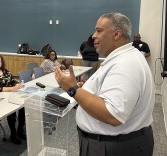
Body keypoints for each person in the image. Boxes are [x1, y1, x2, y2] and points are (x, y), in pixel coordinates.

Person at [54, 12, 154, 156]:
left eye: (99, 30)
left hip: (113, 148)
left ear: (117, 34)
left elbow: (112, 114)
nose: (93, 35)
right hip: (114, 143)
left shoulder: (125, 64)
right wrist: (86, 90)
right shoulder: (125, 57)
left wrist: (72, 89)